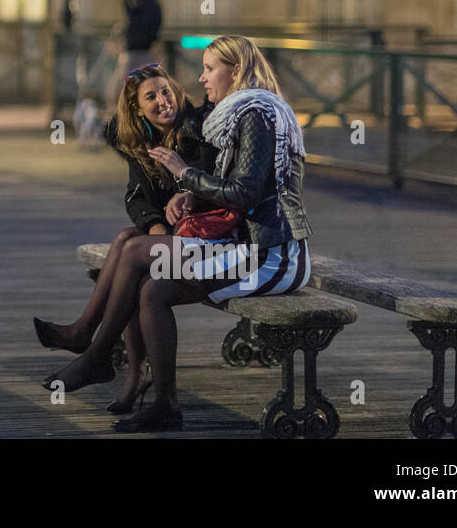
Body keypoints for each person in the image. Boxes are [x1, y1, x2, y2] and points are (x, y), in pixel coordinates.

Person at [40, 35, 312, 434]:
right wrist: (190, 195)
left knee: (135, 253)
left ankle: (96, 352)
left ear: (234, 70)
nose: (201, 79)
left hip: (270, 254)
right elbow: (228, 189)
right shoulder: (237, 113)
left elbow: (247, 193)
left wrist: (185, 174)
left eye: (209, 69)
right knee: (153, 288)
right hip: (244, 246)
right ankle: (164, 402)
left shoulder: (256, 112)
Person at [34, 64, 215, 414]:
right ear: (137, 109)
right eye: (151, 96)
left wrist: (181, 185)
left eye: (165, 90)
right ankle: (121, 367)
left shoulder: (198, 129)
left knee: (132, 255)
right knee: (128, 241)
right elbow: (136, 199)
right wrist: (157, 232)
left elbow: (209, 189)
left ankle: (92, 346)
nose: (163, 101)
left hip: (207, 240)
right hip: (179, 237)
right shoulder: (138, 140)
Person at [122, 0, 163, 72]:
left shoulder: (150, 4)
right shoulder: (143, 1)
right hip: (138, 49)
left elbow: (139, 22)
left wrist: (128, 6)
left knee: (126, 82)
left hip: (142, 50)